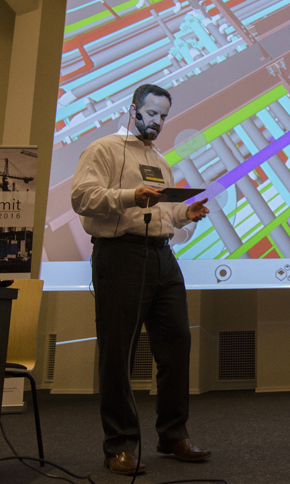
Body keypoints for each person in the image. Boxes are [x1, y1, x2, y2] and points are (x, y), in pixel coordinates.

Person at [71, 83, 211, 475]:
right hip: (121, 256)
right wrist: (130, 196)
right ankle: (120, 445)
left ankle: (173, 435)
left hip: (163, 256)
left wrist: (183, 214)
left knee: (177, 344)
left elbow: (160, 209)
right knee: (119, 353)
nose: (158, 122)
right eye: (151, 114)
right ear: (132, 111)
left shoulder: (159, 159)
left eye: (163, 116)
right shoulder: (102, 149)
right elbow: (82, 197)